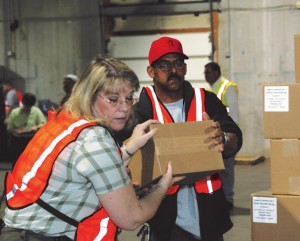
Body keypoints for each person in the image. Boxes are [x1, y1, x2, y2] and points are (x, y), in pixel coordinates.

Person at [0, 54, 183, 241]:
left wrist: (130, 147)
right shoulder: (94, 140)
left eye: (129, 98)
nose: (125, 107)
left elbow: (85, 167)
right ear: (90, 95)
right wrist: (163, 186)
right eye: (113, 99)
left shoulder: (66, 121)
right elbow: (132, 218)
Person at [129, 36, 243, 241]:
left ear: (185, 68)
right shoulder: (141, 111)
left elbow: (235, 137)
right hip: (165, 220)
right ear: (151, 71)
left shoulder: (206, 100)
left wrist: (223, 138)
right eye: (164, 65)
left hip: (209, 217)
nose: (173, 70)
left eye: (178, 63)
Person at [204, 62, 239, 209]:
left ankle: (228, 199)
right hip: (213, 134)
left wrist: (231, 135)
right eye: (205, 73)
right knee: (216, 169)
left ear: (216, 73)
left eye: (208, 72)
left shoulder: (227, 87)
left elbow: (234, 113)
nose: (206, 75)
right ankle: (220, 198)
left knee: (227, 169)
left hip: (225, 134)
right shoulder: (208, 89)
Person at [6, 92, 47, 167]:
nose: (27, 109)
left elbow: (43, 124)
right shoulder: (15, 112)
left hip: (31, 140)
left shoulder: (36, 111)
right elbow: (9, 128)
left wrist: (36, 127)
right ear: (22, 102)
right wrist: (16, 130)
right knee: (17, 163)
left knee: (31, 163)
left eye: (29, 107)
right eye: (26, 106)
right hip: (17, 141)